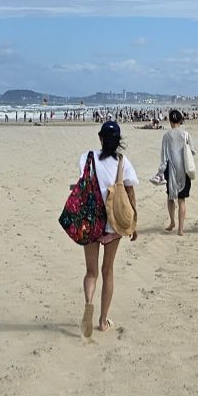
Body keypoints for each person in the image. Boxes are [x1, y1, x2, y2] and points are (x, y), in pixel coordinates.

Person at [77, 120, 138, 338]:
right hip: (114, 223)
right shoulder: (123, 162)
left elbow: (82, 182)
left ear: (100, 138)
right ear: (118, 141)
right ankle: (103, 321)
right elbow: (130, 193)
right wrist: (133, 223)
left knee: (91, 272)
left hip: (91, 221)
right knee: (108, 271)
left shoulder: (87, 157)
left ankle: (89, 302)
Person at [159, 109, 194, 235]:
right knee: (181, 199)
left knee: (170, 197)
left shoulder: (166, 136)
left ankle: (172, 222)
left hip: (170, 169)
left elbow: (164, 156)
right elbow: (192, 151)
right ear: (180, 120)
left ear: (170, 121)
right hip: (184, 169)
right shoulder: (186, 134)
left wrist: (160, 171)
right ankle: (180, 229)